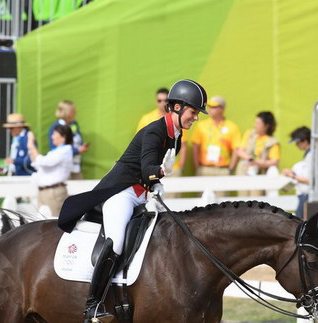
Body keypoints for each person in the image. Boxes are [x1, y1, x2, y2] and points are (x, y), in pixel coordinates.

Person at [58, 79, 208, 323]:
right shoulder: (155, 131)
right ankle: (93, 306)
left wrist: (156, 185)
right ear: (178, 107)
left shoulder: (176, 136)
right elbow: (148, 167)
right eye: (194, 112)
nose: (196, 118)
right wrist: (160, 173)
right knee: (116, 241)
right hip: (121, 192)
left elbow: (149, 177)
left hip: (141, 194)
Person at [137, 88, 188, 194]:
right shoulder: (146, 119)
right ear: (156, 101)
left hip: (172, 168)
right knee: (153, 202)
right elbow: (141, 144)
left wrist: (181, 166)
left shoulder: (177, 119)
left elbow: (183, 145)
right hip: (153, 168)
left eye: (165, 100)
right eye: (159, 100)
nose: (162, 103)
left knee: (173, 201)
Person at [191, 96, 241, 197]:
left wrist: (230, 168)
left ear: (222, 109)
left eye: (214, 107)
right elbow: (195, 147)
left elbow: (236, 149)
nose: (210, 109)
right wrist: (198, 167)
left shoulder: (232, 127)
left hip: (222, 170)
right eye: (210, 106)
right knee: (202, 202)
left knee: (222, 204)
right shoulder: (201, 125)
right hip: (205, 169)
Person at [28, 124, 74, 218]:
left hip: (53, 192)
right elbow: (38, 164)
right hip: (45, 192)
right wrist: (31, 148)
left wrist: (31, 145)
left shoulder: (64, 151)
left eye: (55, 134)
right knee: (40, 223)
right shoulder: (55, 152)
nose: (52, 137)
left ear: (63, 137)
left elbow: (44, 162)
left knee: (55, 223)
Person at [236, 111, 280, 196]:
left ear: (267, 126)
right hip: (244, 171)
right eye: (255, 122)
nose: (255, 125)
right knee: (242, 197)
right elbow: (240, 151)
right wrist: (248, 158)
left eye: (258, 123)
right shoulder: (250, 134)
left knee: (256, 198)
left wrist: (257, 163)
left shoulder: (272, 141)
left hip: (259, 173)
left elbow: (275, 161)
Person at [282, 126, 318, 219]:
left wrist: (292, 176)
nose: (297, 145)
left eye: (298, 142)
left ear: (304, 140)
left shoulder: (311, 155)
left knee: (300, 223)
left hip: (306, 195)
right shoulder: (311, 154)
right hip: (306, 195)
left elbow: (309, 180)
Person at [48, 100, 89, 179]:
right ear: (65, 112)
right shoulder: (55, 127)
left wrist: (82, 146)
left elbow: (77, 138)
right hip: (63, 167)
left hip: (76, 165)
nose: (75, 112)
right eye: (72, 110)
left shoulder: (74, 124)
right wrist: (77, 150)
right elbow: (55, 149)